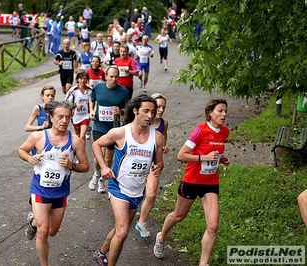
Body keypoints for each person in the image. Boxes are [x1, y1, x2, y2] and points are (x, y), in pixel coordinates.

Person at [153, 98, 231, 266]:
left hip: (210, 183)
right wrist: (203, 158)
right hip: (192, 181)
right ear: (210, 113)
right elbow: (181, 155)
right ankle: (161, 237)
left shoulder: (225, 132)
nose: (224, 114)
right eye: (220, 110)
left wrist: (220, 159)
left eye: (225, 111)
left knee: (213, 225)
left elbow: (213, 153)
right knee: (178, 216)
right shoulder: (199, 130)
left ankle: (203, 263)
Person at [92, 94, 164, 266]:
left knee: (119, 228)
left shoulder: (158, 137)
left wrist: (158, 166)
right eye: (146, 111)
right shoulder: (120, 132)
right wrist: (103, 166)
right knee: (123, 231)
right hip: (118, 187)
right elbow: (96, 145)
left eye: (152, 112)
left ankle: (100, 253)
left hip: (138, 190)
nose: (150, 115)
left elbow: (159, 161)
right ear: (135, 111)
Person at [18, 100, 90, 266]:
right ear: (50, 117)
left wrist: (71, 165)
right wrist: (30, 158)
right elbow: (21, 150)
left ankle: (33, 221)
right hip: (40, 190)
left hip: (60, 192)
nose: (64, 121)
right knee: (43, 232)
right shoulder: (38, 136)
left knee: (52, 231)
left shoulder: (76, 141)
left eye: (67, 117)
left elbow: (86, 166)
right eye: (60, 117)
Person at [88, 66, 129, 194]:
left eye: (116, 76)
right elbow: (92, 99)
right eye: (111, 76)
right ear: (106, 76)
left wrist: (120, 111)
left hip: (114, 128)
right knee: (98, 154)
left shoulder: (123, 91)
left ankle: (102, 180)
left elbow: (127, 111)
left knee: (108, 158)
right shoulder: (98, 87)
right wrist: (92, 111)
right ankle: (96, 174)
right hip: (99, 125)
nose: (114, 79)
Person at [135, 93, 169, 238]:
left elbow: (163, 137)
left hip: (153, 162)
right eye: (158, 107)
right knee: (135, 190)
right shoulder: (140, 120)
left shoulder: (163, 123)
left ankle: (141, 222)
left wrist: (164, 147)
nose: (161, 110)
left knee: (152, 193)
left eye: (163, 107)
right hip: (137, 160)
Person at [65, 72, 93, 144]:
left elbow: (93, 101)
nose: (83, 81)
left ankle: (82, 153)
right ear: (77, 80)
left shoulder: (90, 90)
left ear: (87, 80)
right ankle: (78, 152)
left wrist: (92, 110)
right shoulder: (73, 91)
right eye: (81, 78)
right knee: (78, 135)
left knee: (82, 136)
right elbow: (67, 103)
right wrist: (75, 105)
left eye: (85, 79)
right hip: (76, 115)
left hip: (85, 115)